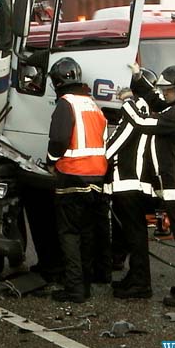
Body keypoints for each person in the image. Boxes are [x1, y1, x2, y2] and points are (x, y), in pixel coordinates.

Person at [125, 64, 175, 306]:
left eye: (168, 90)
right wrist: (139, 80)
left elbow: (142, 122)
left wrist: (129, 101)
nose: (164, 94)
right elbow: (159, 104)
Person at [46, 57, 108, 303]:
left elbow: (59, 139)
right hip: (97, 175)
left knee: (69, 234)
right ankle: (87, 283)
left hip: (72, 175)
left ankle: (74, 288)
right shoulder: (92, 105)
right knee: (88, 233)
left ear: (57, 82)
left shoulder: (65, 103)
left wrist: (50, 161)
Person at [105, 68, 159, 299]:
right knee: (134, 233)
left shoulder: (136, 107)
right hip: (136, 181)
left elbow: (117, 142)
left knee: (134, 234)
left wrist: (102, 156)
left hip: (128, 180)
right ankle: (134, 278)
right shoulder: (148, 108)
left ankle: (140, 282)